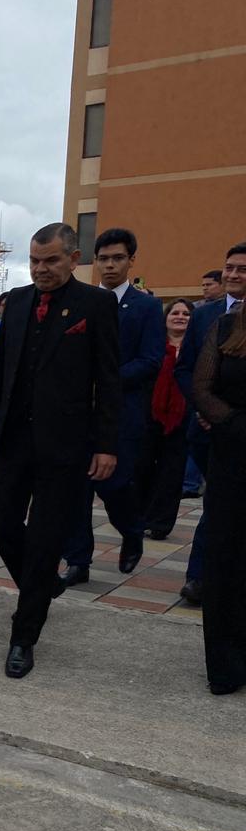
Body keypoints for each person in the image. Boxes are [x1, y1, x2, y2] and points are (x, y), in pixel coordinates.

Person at [0, 223, 121, 678]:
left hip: (66, 445)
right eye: (34, 261)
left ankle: (24, 636)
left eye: (50, 261)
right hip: (13, 441)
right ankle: (39, 589)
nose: (41, 269)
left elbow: (109, 378)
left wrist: (106, 444)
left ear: (73, 258)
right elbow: (0, 373)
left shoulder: (96, 305)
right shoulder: (18, 302)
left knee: (45, 540)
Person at [60, 228, 165, 587]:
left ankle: (131, 529)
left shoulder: (147, 306)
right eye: (103, 258)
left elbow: (151, 360)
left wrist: (105, 381)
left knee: (114, 485)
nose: (109, 265)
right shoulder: (81, 301)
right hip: (78, 413)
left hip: (122, 412)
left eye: (117, 258)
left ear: (131, 261)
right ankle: (78, 561)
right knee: (75, 489)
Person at [174, 242, 246, 605]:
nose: (232, 275)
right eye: (229, 267)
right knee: (216, 505)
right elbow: (187, 368)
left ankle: (212, 577)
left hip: (235, 429)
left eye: (241, 270)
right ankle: (201, 577)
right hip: (207, 429)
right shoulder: (206, 315)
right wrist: (205, 411)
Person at [191, 295, 246, 694]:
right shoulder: (226, 327)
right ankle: (225, 664)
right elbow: (202, 387)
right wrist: (234, 426)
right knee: (224, 554)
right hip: (232, 456)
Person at [136, 299, 193, 540]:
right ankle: (139, 518)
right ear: (166, 317)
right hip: (149, 414)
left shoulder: (196, 348)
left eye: (186, 314)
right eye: (175, 313)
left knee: (172, 473)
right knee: (143, 467)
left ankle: (161, 523)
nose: (180, 317)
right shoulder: (155, 346)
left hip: (183, 417)